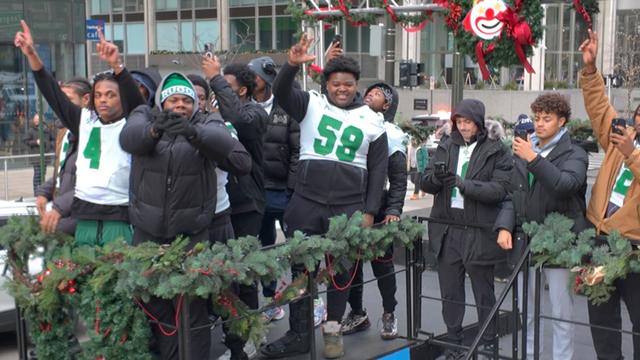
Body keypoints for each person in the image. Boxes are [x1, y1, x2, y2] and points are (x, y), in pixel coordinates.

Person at [261, 35, 388, 359]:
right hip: (307, 201)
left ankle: (332, 330)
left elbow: (378, 171)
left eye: (347, 84)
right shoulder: (310, 103)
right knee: (301, 273)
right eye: (335, 84)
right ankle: (298, 334)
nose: (341, 89)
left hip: (348, 207)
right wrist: (290, 64)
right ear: (327, 84)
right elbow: (281, 92)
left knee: (341, 274)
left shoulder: (373, 120)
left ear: (356, 84)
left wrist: (370, 212)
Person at [120, 70, 249, 360]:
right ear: (162, 103)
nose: (180, 105)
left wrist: (193, 133)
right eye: (173, 100)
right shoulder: (146, 118)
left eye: (186, 100)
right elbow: (130, 138)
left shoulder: (207, 122)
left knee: (192, 311)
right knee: (159, 310)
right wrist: (154, 131)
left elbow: (224, 144)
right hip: (148, 235)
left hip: (192, 236)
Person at [15, 20, 145, 246]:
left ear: (121, 97)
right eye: (98, 95)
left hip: (118, 217)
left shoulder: (132, 121)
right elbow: (52, 93)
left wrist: (118, 66)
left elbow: (138, 103)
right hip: (84, 217)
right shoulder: (84, 120)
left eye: (110, 95)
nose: (103, 99)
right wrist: (32, 55)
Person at [494, 93, 588, 359]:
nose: (540, 124)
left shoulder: (575, 153)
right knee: (528, 312)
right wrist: (504, 225)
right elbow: (515, 193)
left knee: (561, 314)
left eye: (547, 119)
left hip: (559, 242)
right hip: (525, 241)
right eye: (537, 118)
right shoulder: (526, 149)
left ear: (562, 122)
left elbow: (565, 185)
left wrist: (533, 158)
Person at [421, 99, 510, 359]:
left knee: (484, 293)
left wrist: (463, 184)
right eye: (459, 122)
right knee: (450, 293)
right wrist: (437, 178)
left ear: (479, 122)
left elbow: (500, 190)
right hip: (448, 230)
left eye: (468, 122)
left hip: (478, 230)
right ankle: (455, 345)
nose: (463, 127)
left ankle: (489, 343)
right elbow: (425, 180)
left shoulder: (497, 149)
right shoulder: (447, 144)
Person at [579, 29, 640, 360]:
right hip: (600, 242)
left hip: (635, 251)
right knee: (601, 322)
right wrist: (590, 70)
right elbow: (600, 109)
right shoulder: (623, 136)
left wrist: (632, 153)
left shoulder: (629, 147)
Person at [202, 57, 269, 360]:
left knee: (243, 277)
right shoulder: (210, 114)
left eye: (225, 86)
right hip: (216, 208)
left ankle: (249, 336)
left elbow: (239, 122)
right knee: (220, 276)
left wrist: (215, 77)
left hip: (245, 206)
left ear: (242, 91)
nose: (218, 92)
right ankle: (231, 333)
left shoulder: (253, 114)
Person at [341, 82, 406, 340]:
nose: (370, 95)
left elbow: (399, 179)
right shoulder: (353, 124)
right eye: (368, 92)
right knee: (351, 266)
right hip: (350, 206)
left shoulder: (392, 133)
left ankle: (389, 313)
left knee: (382, 265)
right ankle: (357, 313)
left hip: (378, 209)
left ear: (387, 105)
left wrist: (393, 209)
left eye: (377, 94)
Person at [248, 56, 300, 322]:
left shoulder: (286, 107)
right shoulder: (243, 107)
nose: (250, 80)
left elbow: (295, 151)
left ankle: (306, 300)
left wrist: (292, 190)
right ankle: (270, 300)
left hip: (283, 192)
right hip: (256, 191)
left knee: (297, 249)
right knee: (264, 247)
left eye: (254, 76)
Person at [35, 78, 91, 235]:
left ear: (86, 100)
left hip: (77, 219)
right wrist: (43, 192)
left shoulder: (91, 133)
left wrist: (59, 209)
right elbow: (62, 173)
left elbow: (92, 183)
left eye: (67, 100)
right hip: (61, 213)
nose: (61, 106)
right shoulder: (63, 132)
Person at [24, 113, 50, 195]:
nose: (35, 121)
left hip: (45, 156)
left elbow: (53, 139)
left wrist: (48, 144)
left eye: (37, 119)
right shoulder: (31, 130)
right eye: (35, 119)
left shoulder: (47, 130)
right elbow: (25, 141)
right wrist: (35, 142)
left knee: (43, 174)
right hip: (36, 157)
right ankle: (36, 192)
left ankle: (42, 192)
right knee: (37, 174)